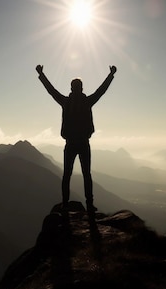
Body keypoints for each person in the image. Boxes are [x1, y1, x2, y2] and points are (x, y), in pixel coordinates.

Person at [36, 64, 117, 214]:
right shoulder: (87, 102)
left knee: (67, 174)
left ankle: (65, 203)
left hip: (71, 144)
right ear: (81, 88)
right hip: (84, 144)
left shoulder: (66, 102)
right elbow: (101, 90)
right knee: (86, 174)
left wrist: (41, 74)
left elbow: (51, 90)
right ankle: (89, 204)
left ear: (72, 88)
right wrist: (111, 75)